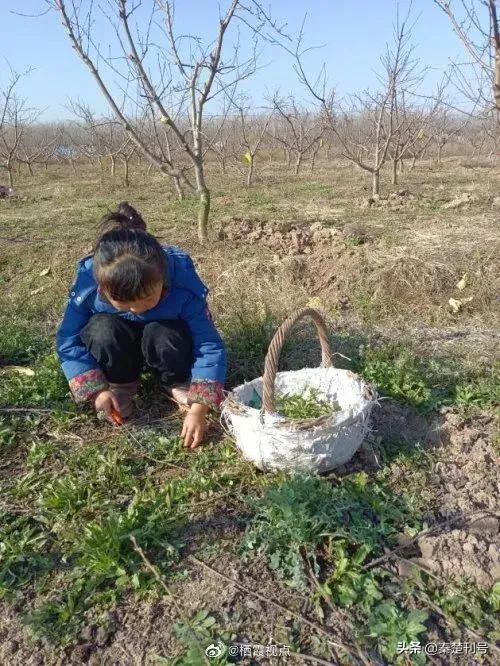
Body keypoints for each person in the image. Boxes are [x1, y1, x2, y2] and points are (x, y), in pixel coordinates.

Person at [56, 202, 227, 449]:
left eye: (148, 298)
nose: (137, 309)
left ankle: (175, 382)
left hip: (163, 341)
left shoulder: (182, 286)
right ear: (102, 288)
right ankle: (121, 384)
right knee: (101, 328)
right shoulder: (88, 288)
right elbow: (68, 341)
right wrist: (97, 391)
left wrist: (200, 406)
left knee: (164, 332)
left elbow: (208, 343)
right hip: (118, 341)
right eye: (123, 303)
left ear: (162, 278)